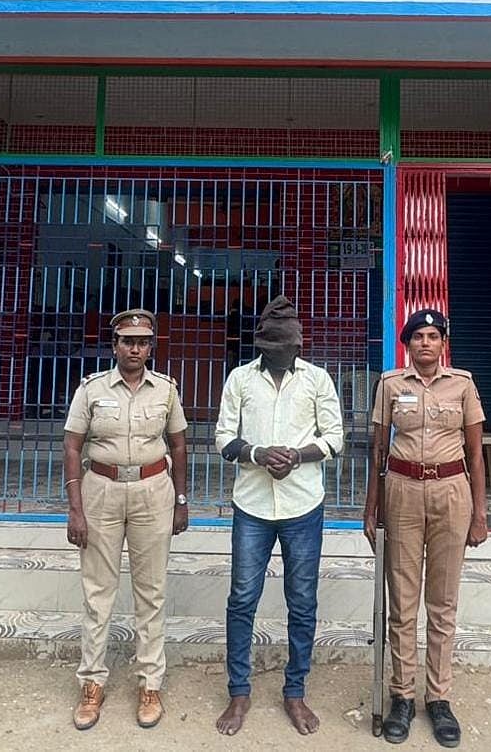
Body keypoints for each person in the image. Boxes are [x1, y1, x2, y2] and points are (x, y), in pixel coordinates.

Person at [214, 296, 344, 737]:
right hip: (251, 505)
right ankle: (239, 692)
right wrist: (257, 453)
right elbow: (223, 438)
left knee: (302, 601)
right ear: (261, 346)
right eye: (270, 348)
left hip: (303, 504)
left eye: (285, 348)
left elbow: (335, 438)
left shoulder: (318, 380)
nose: (278, 354)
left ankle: (295, 691)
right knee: (242, 599)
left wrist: (297, 455)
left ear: (298, 346)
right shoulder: (239, 379)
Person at [363, 309, 487, 749]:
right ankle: (401, 696)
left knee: (443, 602)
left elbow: (476, 453)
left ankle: (438, 698)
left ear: (443, 343)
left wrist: (480, 513)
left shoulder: (463, 385)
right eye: (418, 337)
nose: (426, 343)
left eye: (433, 336)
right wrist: (371, 508)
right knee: (402, 600)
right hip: (402, 491)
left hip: (452, 491)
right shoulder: (390, 384)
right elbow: (377, 450)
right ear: (408, 344)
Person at [63, 309, 189, 731]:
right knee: (98, 593)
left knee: (151, 592)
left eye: (143, 342)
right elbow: (72, 446)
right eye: (127, 341)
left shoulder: (166, 390)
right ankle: (91, 682)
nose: (135, 349)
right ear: (114, 345)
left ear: (151, 347)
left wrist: (181, 500)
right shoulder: (91, 389)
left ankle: (150, 683)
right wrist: (75, 507)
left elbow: (179, 444)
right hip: (101, 491)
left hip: (153, 491)